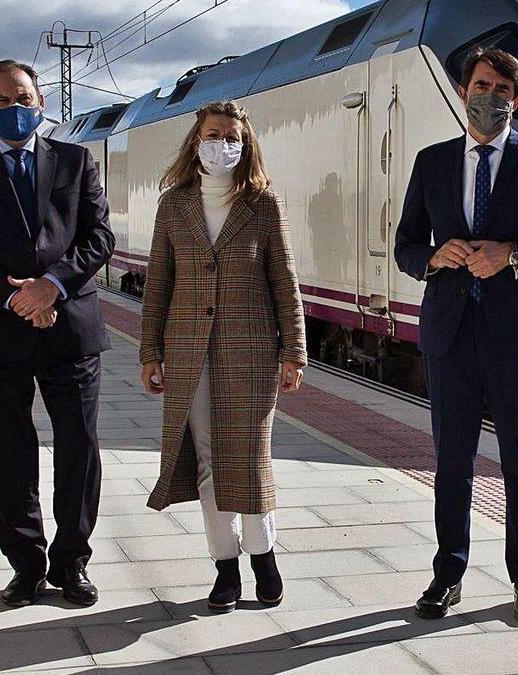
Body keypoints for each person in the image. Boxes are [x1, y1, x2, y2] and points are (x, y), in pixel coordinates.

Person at [394, 48, 518, 624]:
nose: (492, 96)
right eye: (482, 84)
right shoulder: (432, 162)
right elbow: (406, 246)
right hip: (450, 336)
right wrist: (434, 257)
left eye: (504, 89)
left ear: (517, 99)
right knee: (451, 463)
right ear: (462, 90)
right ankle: (447, 575)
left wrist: (513, 256)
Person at [0, 60, 114, 608]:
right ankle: (26, 563)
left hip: (70, 327)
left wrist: (52, 286)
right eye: (3, 100)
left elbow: (99, 235)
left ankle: (71, 562)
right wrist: (14, 294)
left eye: (25, 97)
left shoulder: (76, 160)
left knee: (78, 447)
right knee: (7, 451)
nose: (16, 108)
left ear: (41, 101)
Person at [139, 101, 307, 613]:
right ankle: (225, 568)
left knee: (251, 460)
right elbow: (158, 283)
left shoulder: (263, 205)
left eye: (232, 136)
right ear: (196, 141)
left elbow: (283, 280)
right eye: (214, 134)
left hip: (252, 352)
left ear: (245, 143)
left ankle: (264, 556)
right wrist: (150, 351)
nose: (223, 144)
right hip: (189, 353)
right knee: (209, 460)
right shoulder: (174, 205)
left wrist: (294, 351)